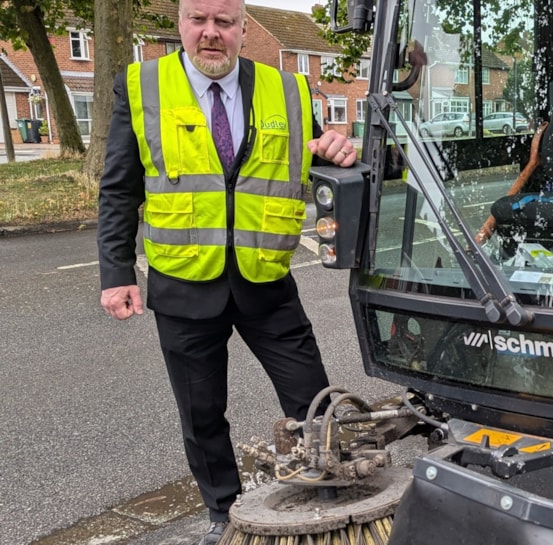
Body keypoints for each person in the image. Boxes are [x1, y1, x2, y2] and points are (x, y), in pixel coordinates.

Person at [96, 1, 357, 543]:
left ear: (242, 27)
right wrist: (116, 271)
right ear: (180, 23)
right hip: (184, 283)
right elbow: (119, 188)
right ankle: (224, 513)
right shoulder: (144, 84)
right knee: (202, 415)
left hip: (267, 281)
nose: (211, 33)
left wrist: (338, 151)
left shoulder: (287, 89)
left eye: (224, 22)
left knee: (313, 401)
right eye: (199, 19)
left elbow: (318, 159)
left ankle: (339, 500)